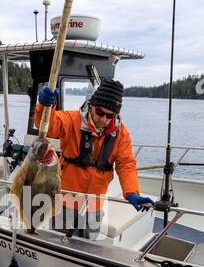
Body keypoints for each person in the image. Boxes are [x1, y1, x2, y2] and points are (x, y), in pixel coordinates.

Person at [34, 78, 154, 239]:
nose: (103, 119)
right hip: (65, 199)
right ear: (91, 106)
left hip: (94, 204)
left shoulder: (121, 134)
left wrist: (131, 192)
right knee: (57, 243)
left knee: (87, 248)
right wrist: (44, 106)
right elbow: (48, 126)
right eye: (100, 112)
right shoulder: (72, 120)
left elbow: (126, 164)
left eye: (110, 115)